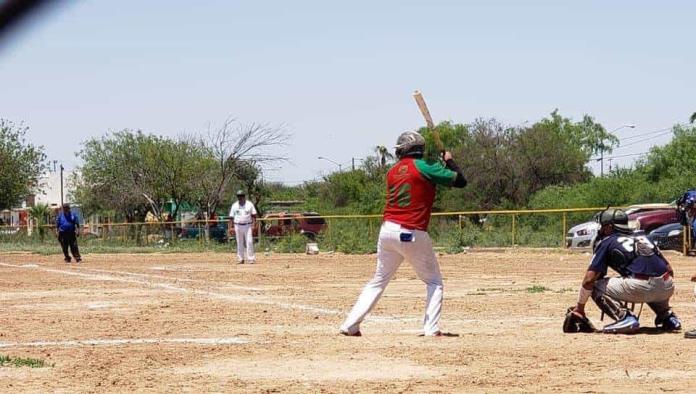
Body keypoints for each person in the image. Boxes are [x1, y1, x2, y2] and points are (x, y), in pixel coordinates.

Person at [339, 131, 466, 337]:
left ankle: (350, 324)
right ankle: (431, 328)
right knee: (434, 282)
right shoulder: (424, 167)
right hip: (412, 231)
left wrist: (440, 167)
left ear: (403, 150)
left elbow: (418, 182)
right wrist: (449, 162)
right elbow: (460, 181)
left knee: (378, 280)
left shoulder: (392, 171)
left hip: (387, 231)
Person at [570, 208, 681, 334]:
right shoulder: (643, 237)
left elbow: (588, 281)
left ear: (609, 227)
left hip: (641, 287)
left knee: (595, 286)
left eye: (603, 226)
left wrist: (580, 308)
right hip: (668, 285)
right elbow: (669, 269)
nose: (601, 229)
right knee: (650, 280)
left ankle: (625, 317)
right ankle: (668, 317)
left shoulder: (607, 241)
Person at [228, 190, 257, 264]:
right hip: (237, 225)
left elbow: (254, 215)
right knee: (239, 242)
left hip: (247, 225)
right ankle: (241, 259)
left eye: (241, 196)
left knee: (249, 242)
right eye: (238, 196)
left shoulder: (249, 204)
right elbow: (231, 217)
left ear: (244, 196)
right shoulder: (234, 205)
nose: (240, 198)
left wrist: (253, 225)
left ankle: (251, 259)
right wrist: (230, 227)